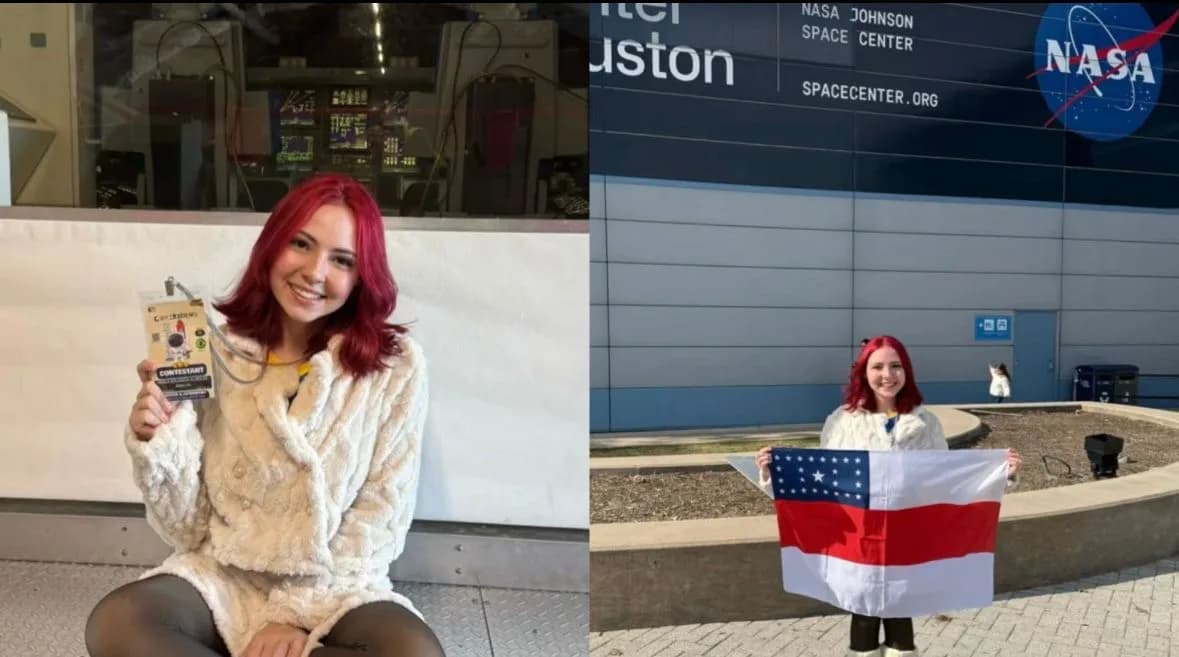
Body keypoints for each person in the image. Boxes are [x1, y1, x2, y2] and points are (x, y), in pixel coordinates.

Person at [85, 173, 445, 657]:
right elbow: (188, 529)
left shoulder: (394, 367)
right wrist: (160, 441)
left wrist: (291, 618)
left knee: (415, 652)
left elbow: (381, 517)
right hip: (226, 574)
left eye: (342, 260)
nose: (315, 272)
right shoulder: (220, 352)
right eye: (301, 244)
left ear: (362, 277)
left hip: (334, 584)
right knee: (119, 624)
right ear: (272, 245)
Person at [756, 335, 1021, 657]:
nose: (887, 374)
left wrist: (999, 474)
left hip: (906, 537)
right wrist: (776, 475)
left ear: (906, 371)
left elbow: (945, 479)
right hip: (859, 540)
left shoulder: (924, 423)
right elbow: (824, 482)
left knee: (899, 614)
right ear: (864, 373)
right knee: (863, 615)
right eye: (878, 366)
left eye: (895, 366)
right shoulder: (842, 421)